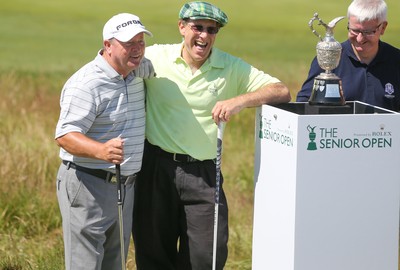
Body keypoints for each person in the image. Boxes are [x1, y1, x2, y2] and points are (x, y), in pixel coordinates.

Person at [132, 2, 291, 269]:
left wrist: (239, 101)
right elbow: (115, 63)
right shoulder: (156, 57)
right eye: (197, 27)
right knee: (153, 253)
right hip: (156, 168)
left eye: (211, 30)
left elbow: (281, 91)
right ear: (182, 27)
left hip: (204, 174)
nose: (204, 36)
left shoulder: (229, 66)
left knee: (207, 256)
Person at [55, 13, 152, 270]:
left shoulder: (138, 69)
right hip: (88, 185)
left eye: (141, 42)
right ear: (107, 45)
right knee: (85, 265)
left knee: (115, 264)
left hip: (125, 186)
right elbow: (65, 135)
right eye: (128, 43)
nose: (137, 49)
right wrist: (101, 150)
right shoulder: (86, 84)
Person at [296, 0, 400, 111]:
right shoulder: (329, 57)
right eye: (354, 30)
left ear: (383, 28)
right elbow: (304, 104)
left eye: (368, 32)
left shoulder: (396, 60)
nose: (360, 38)